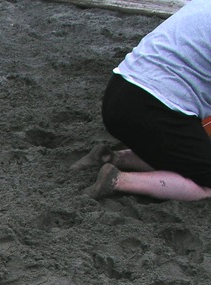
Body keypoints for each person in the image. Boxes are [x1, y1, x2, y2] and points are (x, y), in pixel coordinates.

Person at [75, 0, 211, 201]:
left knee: (191, 154)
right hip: (155, 108)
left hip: (120, 91)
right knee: (207, 181)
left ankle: (113, 157)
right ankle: (117, 180)